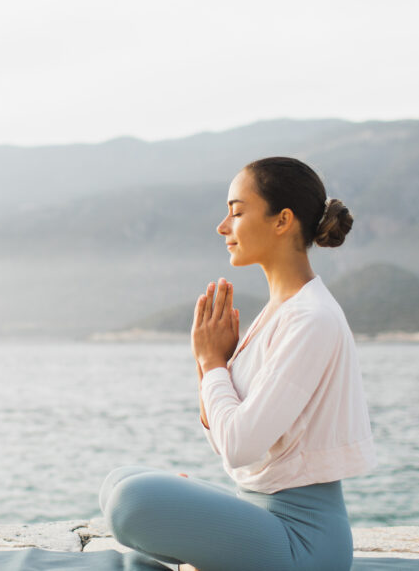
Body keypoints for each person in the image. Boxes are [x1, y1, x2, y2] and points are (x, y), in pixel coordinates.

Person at [99, 156, 375, 571]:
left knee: (130, 503)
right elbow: (225, 441)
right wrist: (209, 366)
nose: (223, 227)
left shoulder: (311, 319)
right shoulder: (279, 312)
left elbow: (238, 446)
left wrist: (212, 363)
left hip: (304, 544)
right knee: (119, 481)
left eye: (237, 212)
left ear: (282, 220)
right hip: (260, 512)